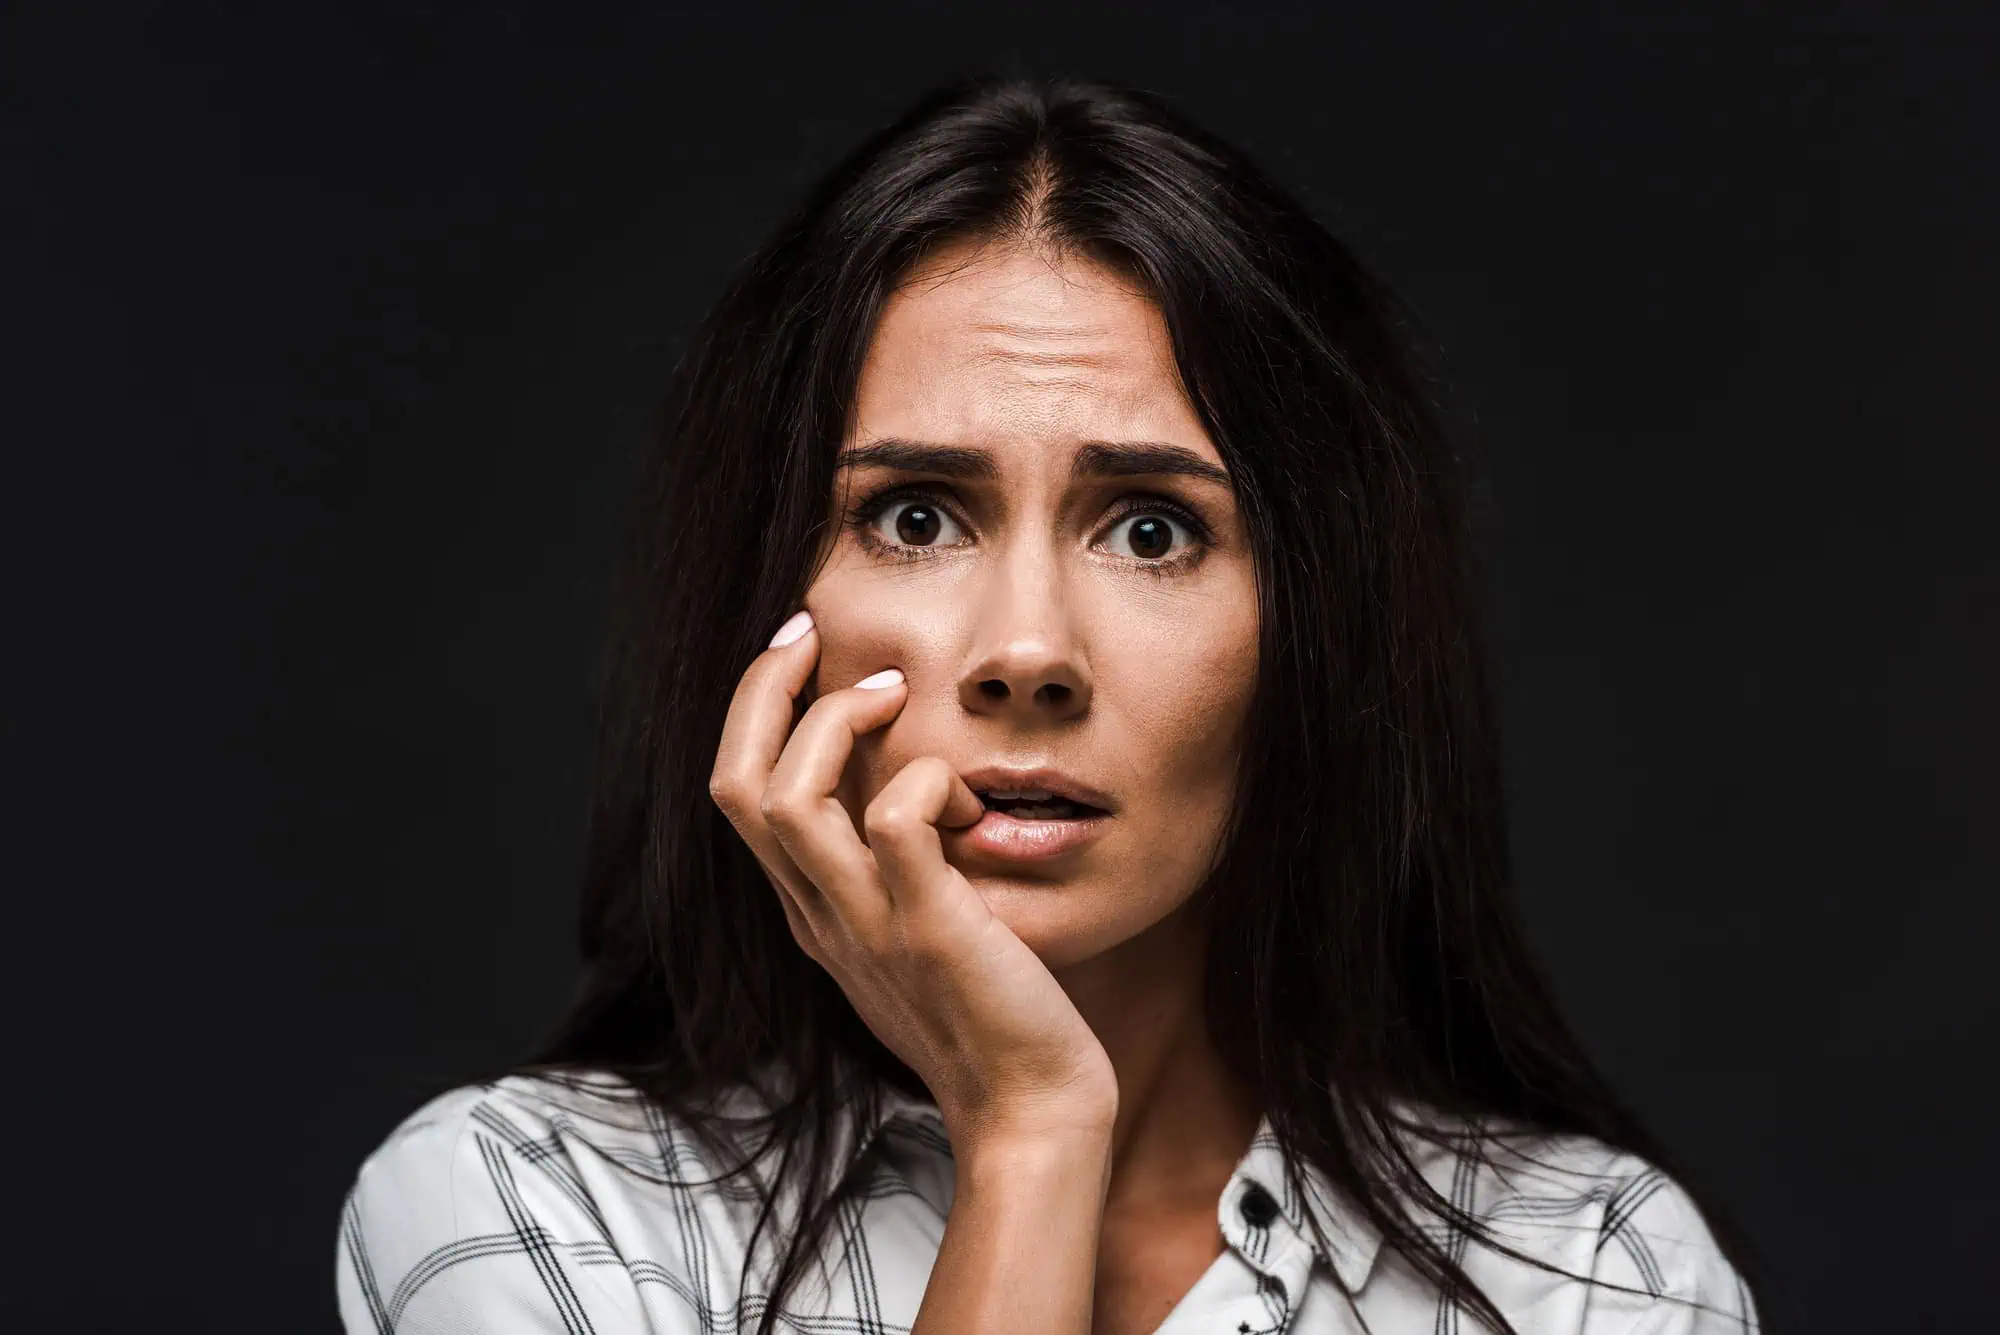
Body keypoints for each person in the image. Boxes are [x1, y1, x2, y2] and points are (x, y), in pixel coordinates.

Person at [334, 73, 1764, 1335]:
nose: (1027, 651)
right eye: (913, 515)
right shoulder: (536, 1216)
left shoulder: (1585, 1279)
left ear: (1315, 631)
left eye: (1151, 528)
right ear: (772, 604)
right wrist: (1029, 1127)